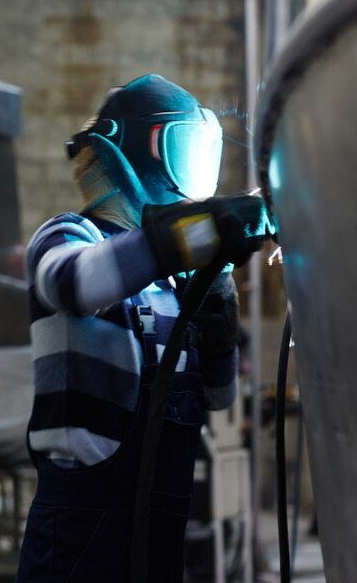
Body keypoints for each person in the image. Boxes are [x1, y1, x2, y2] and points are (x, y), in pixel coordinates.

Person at [15, 74, 267, 582]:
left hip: (159, 527)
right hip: (79, 536)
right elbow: (74, 283)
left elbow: (217, 397)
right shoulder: (69, 235)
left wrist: (218, 312)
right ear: (159, 148)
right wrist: (201, 234)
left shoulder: (178, 280)